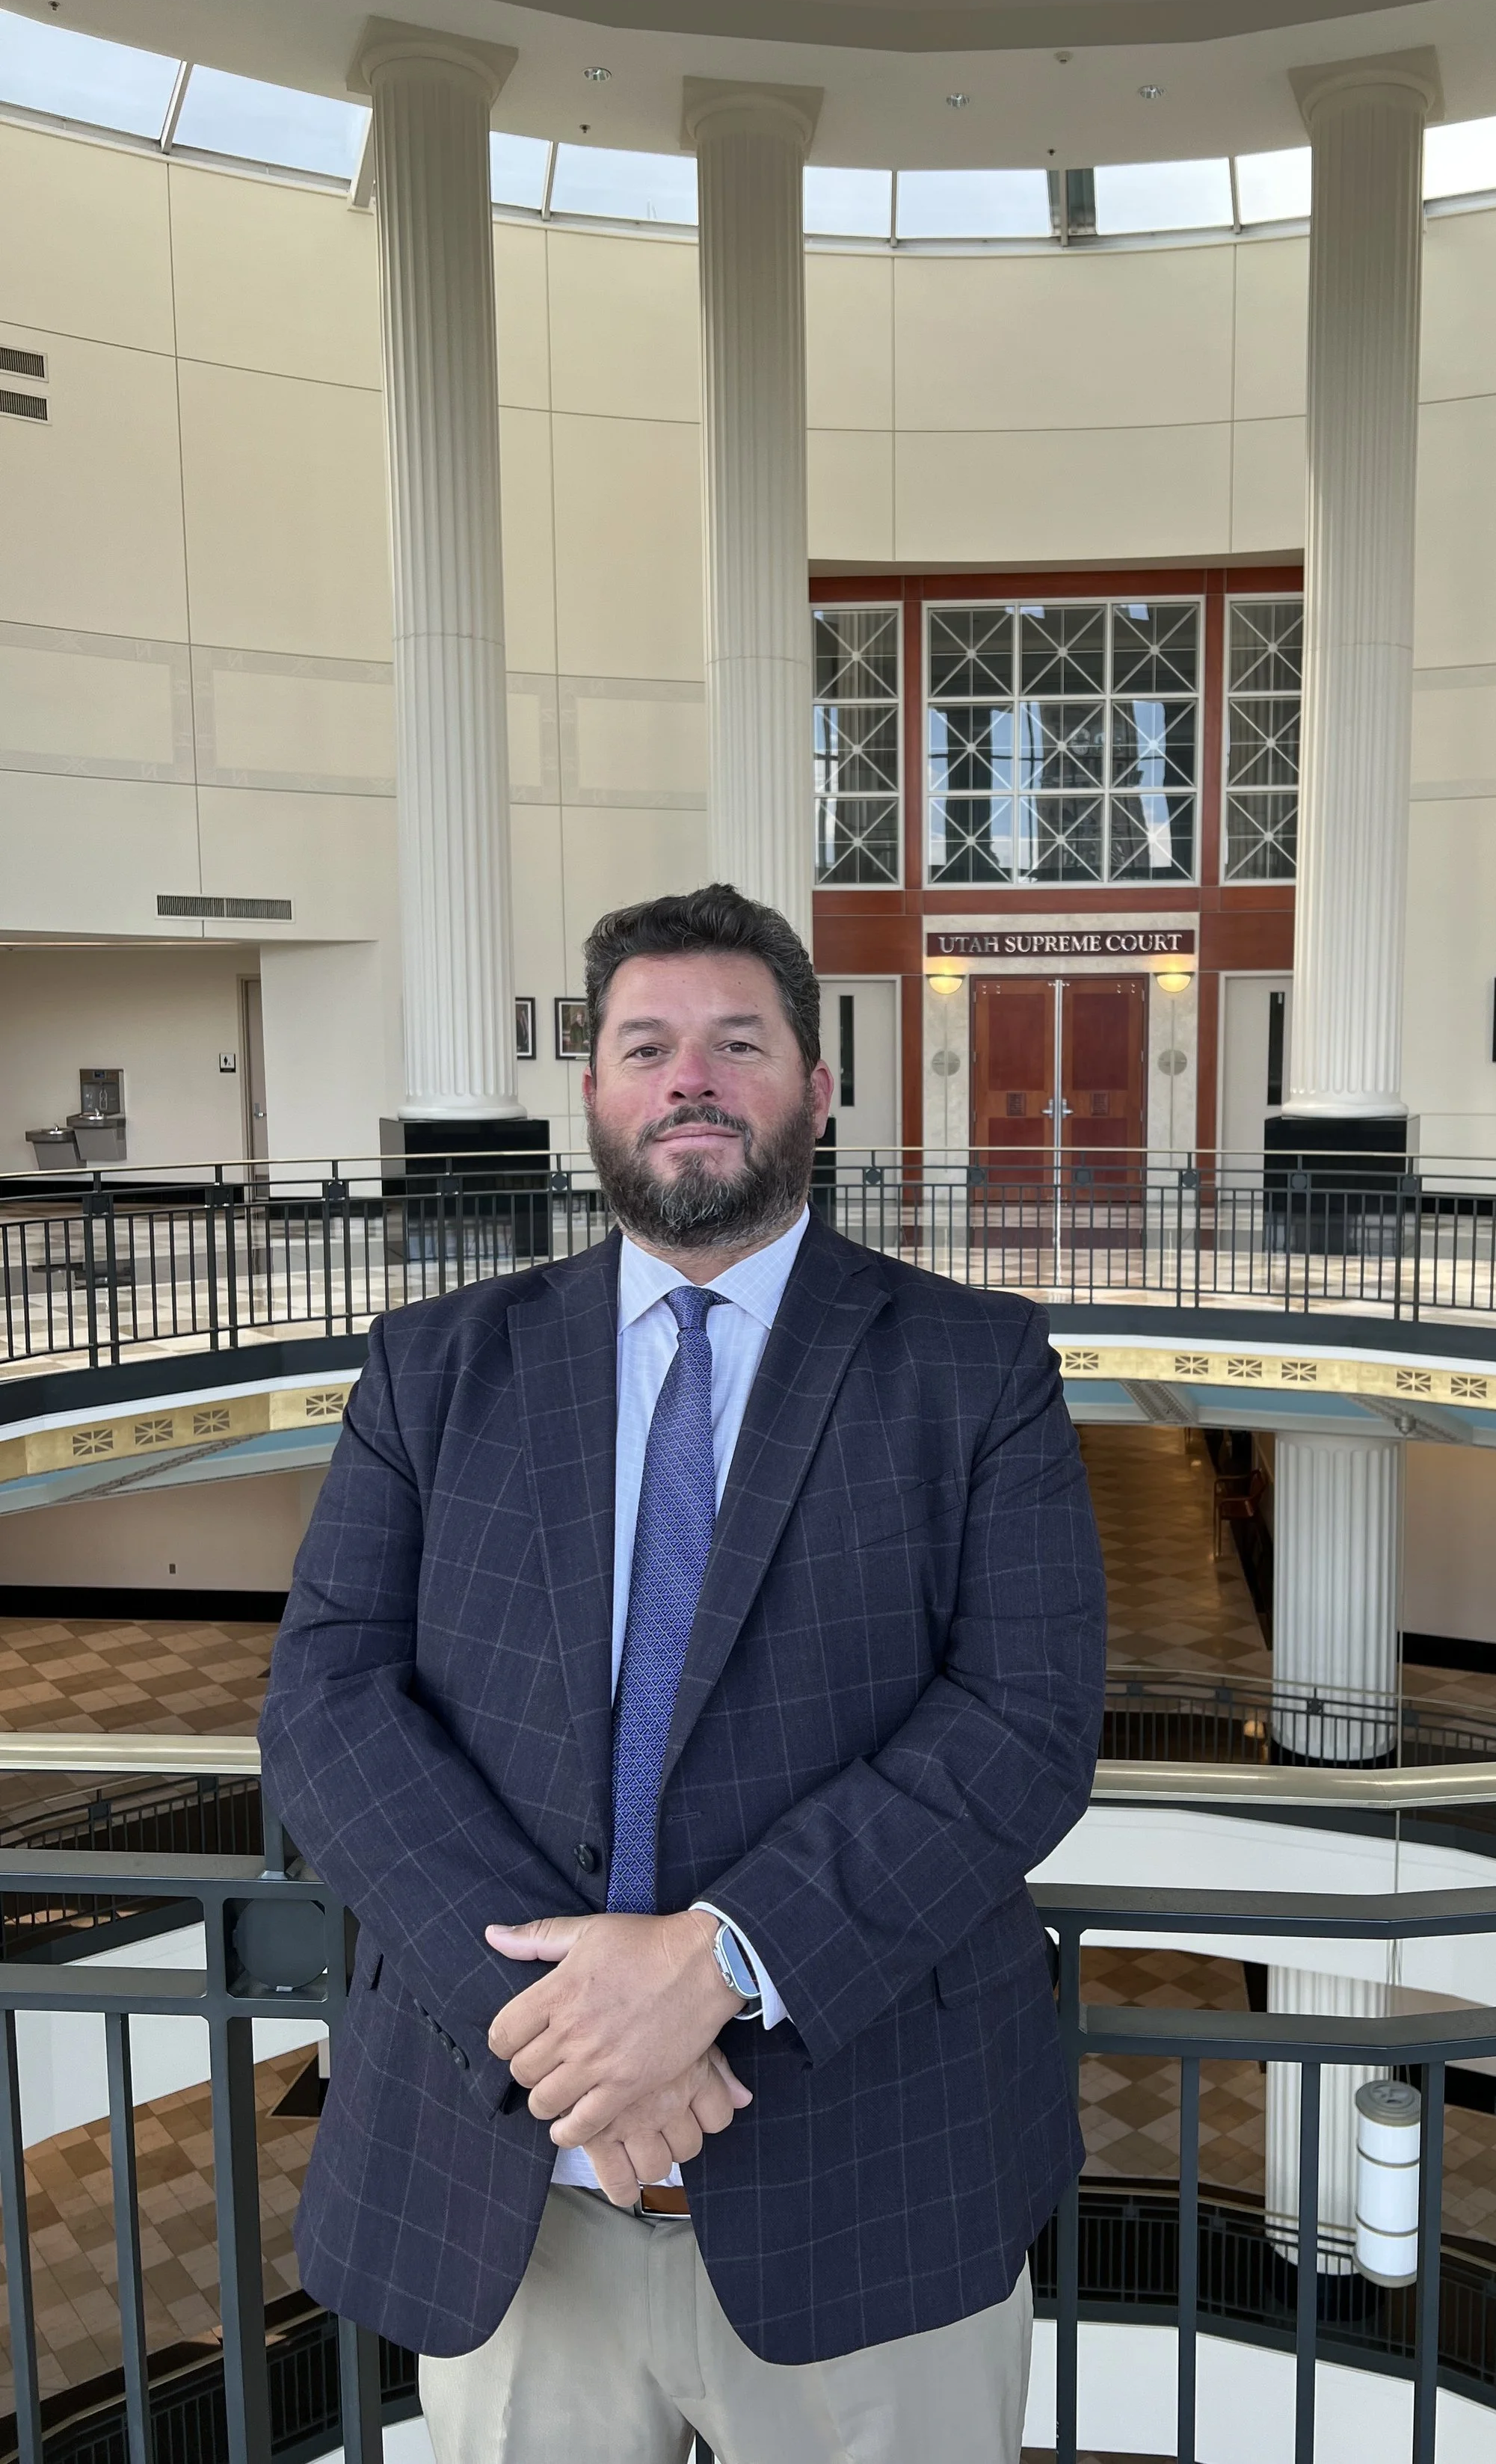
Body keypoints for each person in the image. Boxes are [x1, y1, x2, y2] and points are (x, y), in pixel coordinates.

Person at [259, 883, 1106, 2464]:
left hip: (872, 2190)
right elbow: (327, 1704)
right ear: (590, 1092)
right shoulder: (434, 1367)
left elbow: (1024, 1726)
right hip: (514, 2191)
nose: (689, 1077)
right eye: (644, 1044)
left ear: (816, 1087)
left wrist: (717, 1963)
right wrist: (576, 2026)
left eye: (737, 1040)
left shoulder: (974, 1366)